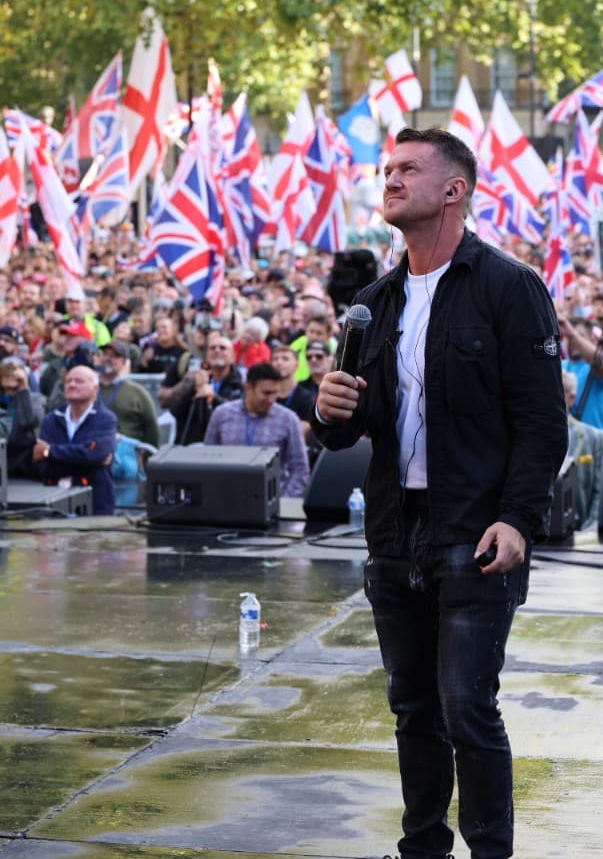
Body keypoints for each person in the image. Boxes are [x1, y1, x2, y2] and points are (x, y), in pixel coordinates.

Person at [311, 127, 567, 859]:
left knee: (466, 708)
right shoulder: (373, 302)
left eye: (408, 169)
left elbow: (543, 422)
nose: (389, 180)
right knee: (412, 708)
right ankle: (421, 847)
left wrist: (519, 518)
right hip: (395, 533)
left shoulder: (509, 287)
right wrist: (329, 409)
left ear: (453, 190)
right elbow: (348, 429)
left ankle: (490, 851)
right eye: (387, 168)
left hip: (476, 531)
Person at [204, 362, 310, 498]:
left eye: (275, 394)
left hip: (272, 501)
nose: (271, 399)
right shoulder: (222, 414)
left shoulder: (288, 419)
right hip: (228, 498)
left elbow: (300, 470)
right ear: (248, 388)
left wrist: (282, 502)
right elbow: (207, 460)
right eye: (266, 393)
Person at [32, 365, 117, 515]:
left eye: (79, 381)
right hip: (54, 505)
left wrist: (49, 451)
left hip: (95, 507)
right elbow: (42, 466)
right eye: (68, 381)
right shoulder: (51, 419)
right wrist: (87, 461)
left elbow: (95, 454)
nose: (72, 385)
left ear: (95, 389)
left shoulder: (105, 418)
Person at [166, 334, 243, 445]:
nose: (217, 351)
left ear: (232, 357)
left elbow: (236, 413)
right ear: (206, 356)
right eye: (212, 348)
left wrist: (213, 397)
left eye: (223, 348)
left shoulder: (238, 382)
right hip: (190, 444)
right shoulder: (194, 377)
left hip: (222, 446)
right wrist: (191, 389)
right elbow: (175, 410)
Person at [562, 369, 603, 528]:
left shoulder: (594, 437)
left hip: (581, 534)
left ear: (571, 398)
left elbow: (600, 491)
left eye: (559, 390)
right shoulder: (527, 436)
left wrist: (591, 530)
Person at [98, 340, 160, 447]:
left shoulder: (137, 392)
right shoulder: (87, 388)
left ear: (124, 363)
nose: (108, 358)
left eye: (115, 356)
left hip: (126, 455)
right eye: (105, 354)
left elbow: (152, 430)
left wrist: (144, 457)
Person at [559, 314, 603, 431]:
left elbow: (598, 362)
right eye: (567, 337)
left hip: (591, 442)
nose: (572, 341)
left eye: (580, 336)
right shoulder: (559, 366)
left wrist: (572, 333)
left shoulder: (599, 366)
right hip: (566, 440)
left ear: (592, 339)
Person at [0, 359, 44, 476]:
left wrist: (24, 387)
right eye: (5, 370)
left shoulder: (35, 399)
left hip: (24, 464)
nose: (10, 374)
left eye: (15, 370)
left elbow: (28, 421)